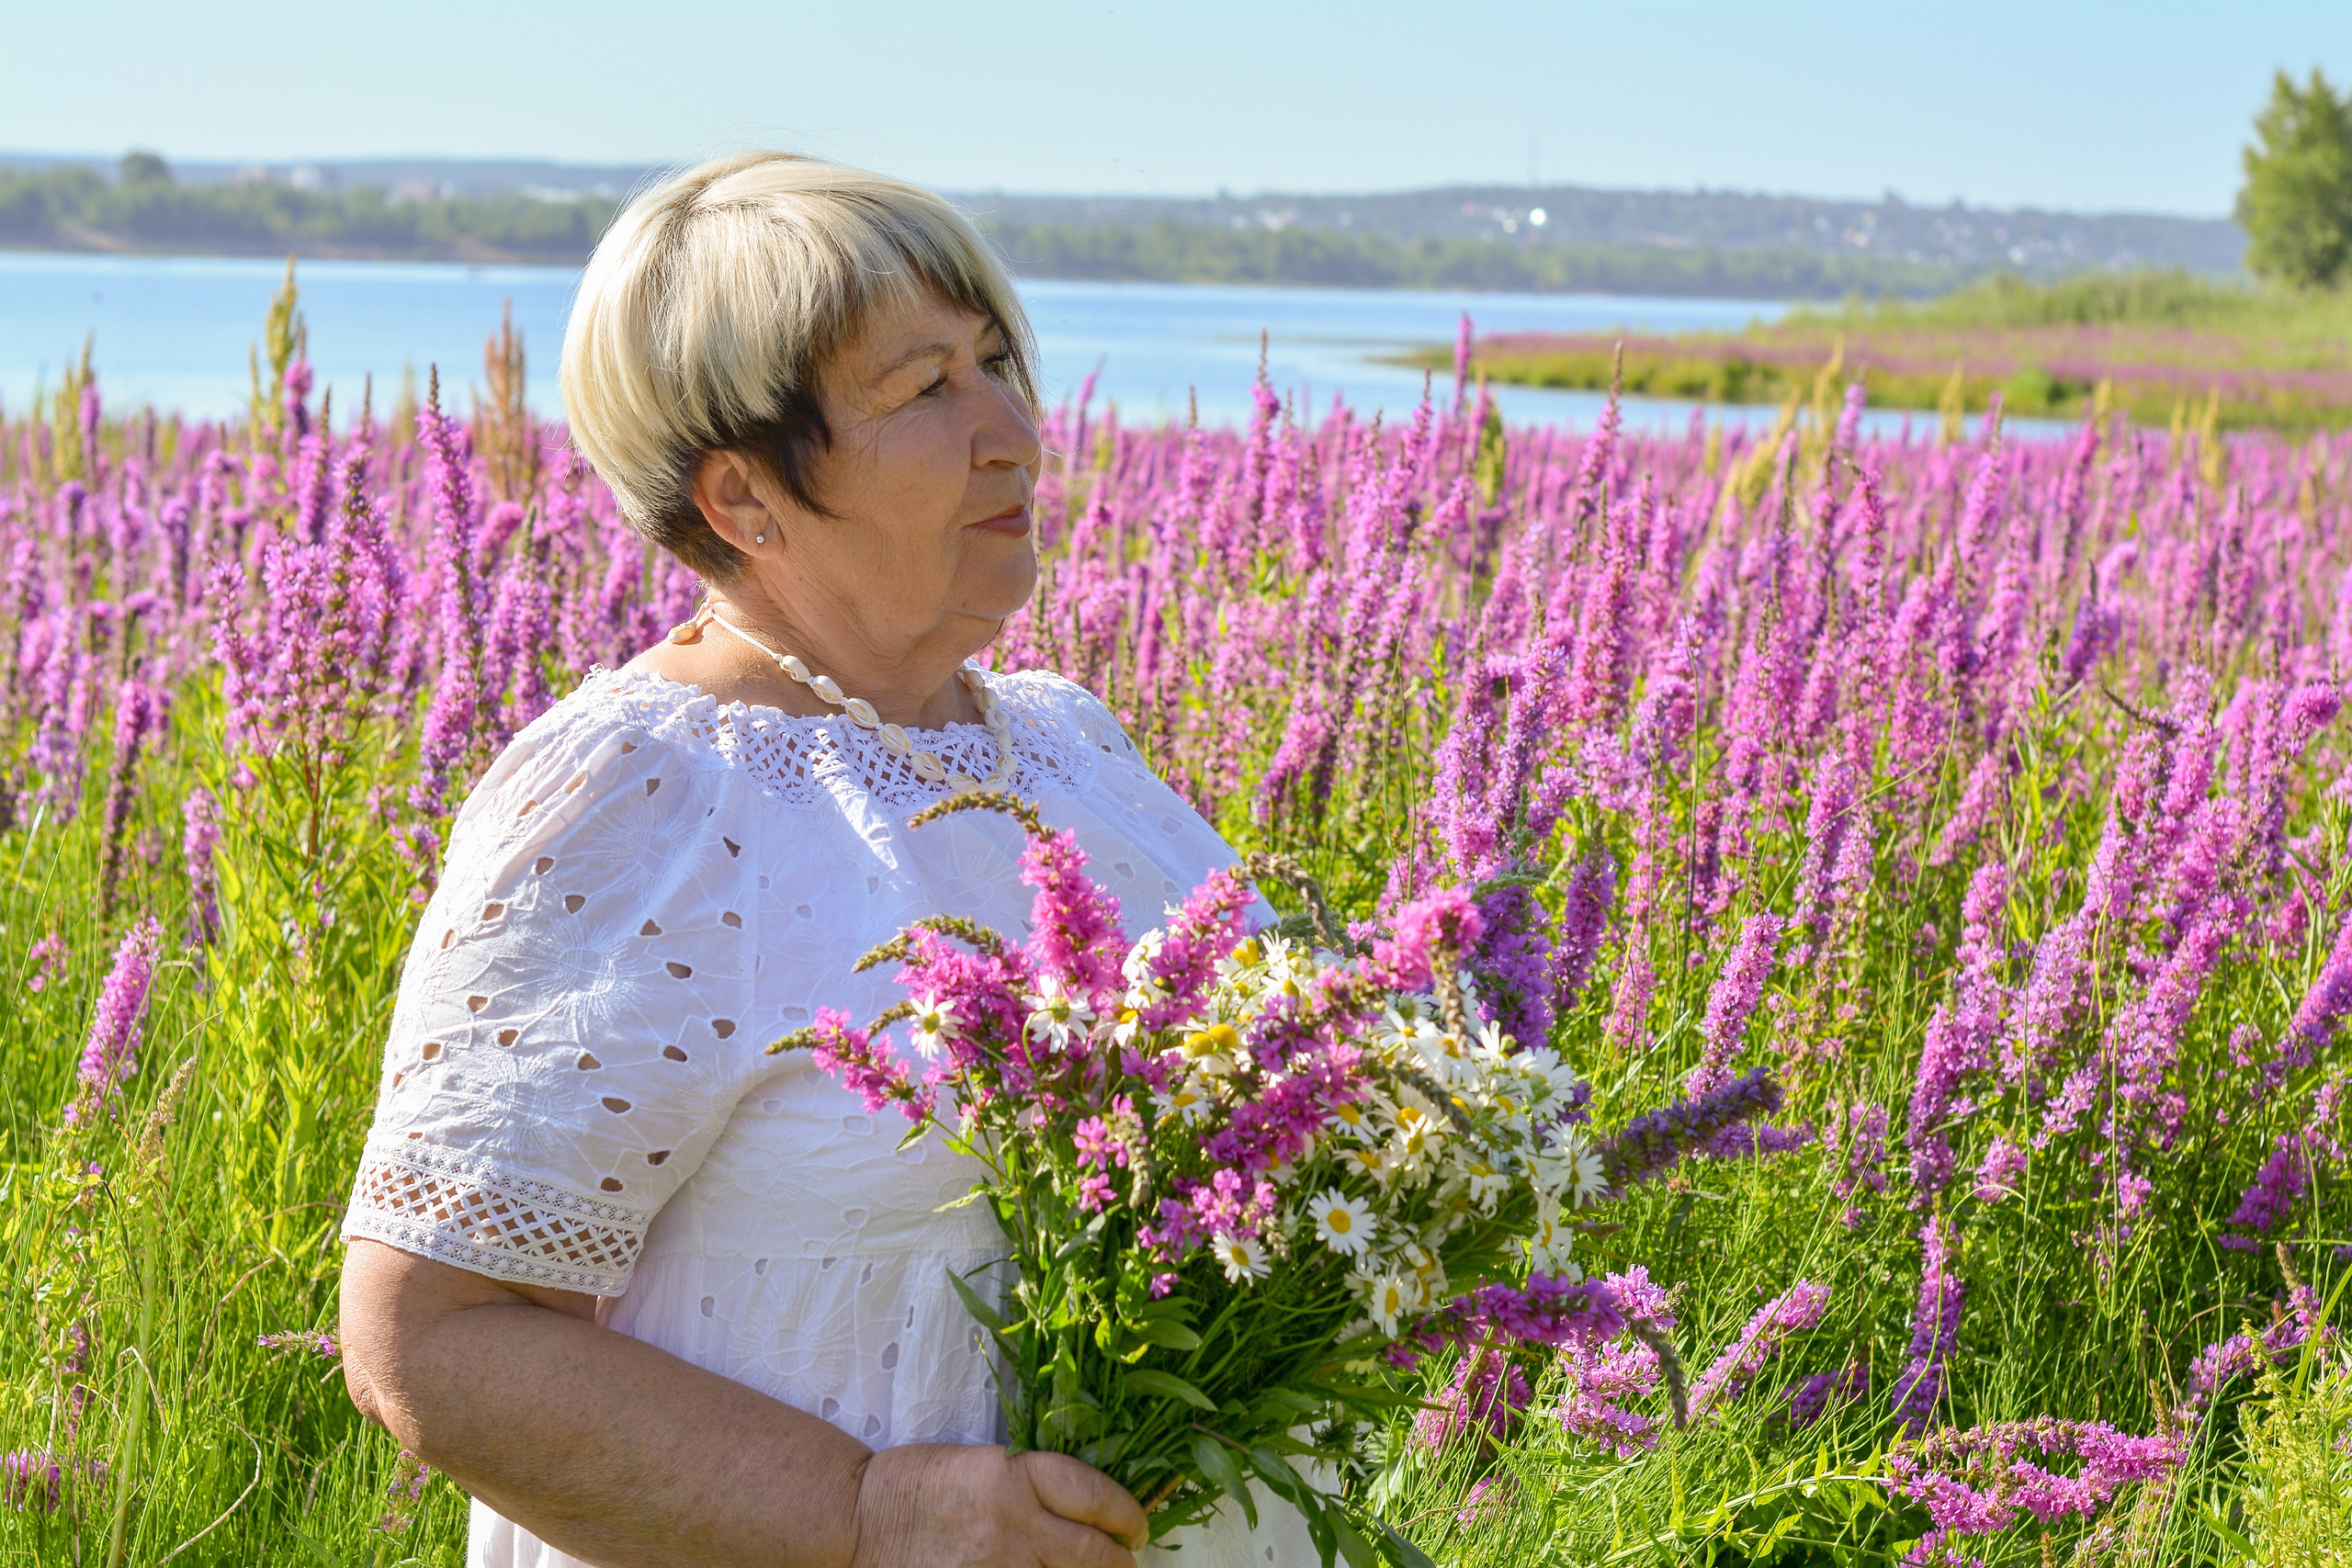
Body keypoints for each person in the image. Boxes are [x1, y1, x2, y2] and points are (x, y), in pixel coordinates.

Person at [335, 151, 1311, 1568]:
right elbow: (434, 1343)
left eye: (995, 363)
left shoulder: (1069, 746)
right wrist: (864, 1515)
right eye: (924, 391)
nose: (1015, 434)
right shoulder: (643, 801)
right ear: (744, 501)